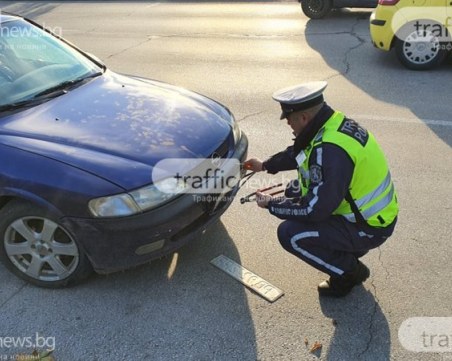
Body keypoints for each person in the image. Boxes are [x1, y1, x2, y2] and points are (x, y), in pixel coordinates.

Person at [244, 81, 398, 297]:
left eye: (289, 118)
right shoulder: (331, 124)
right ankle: (347, 251)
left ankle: (349, 273)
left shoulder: (330, 150)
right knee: (293, 189)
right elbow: (299, 153)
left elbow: (313, 210)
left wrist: (272, 204)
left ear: (304, 117)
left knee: (290, 234)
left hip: (368, 226)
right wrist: (265, 165)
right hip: (368, 213)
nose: (288, 123)